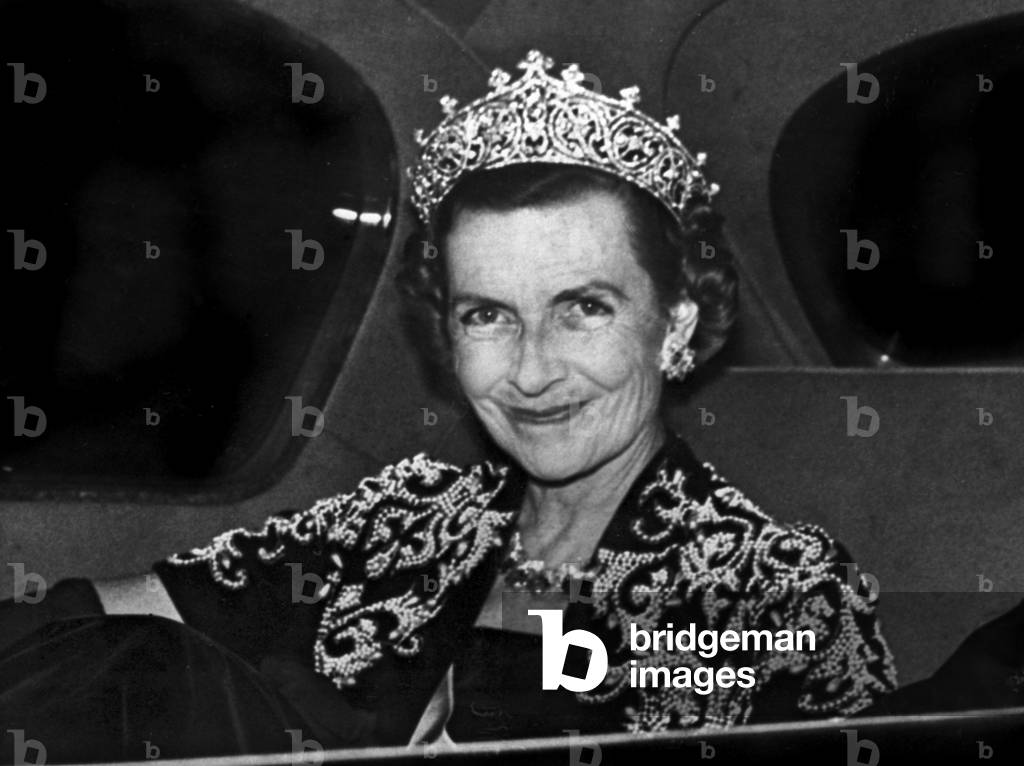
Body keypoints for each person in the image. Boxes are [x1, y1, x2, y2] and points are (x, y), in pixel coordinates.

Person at [0, 50, 897, 762]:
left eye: (583, 308)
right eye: (488, 316)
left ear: (676, 323)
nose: (532, 373)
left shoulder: (773, 593)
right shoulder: (404, 520)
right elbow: (87, 629)